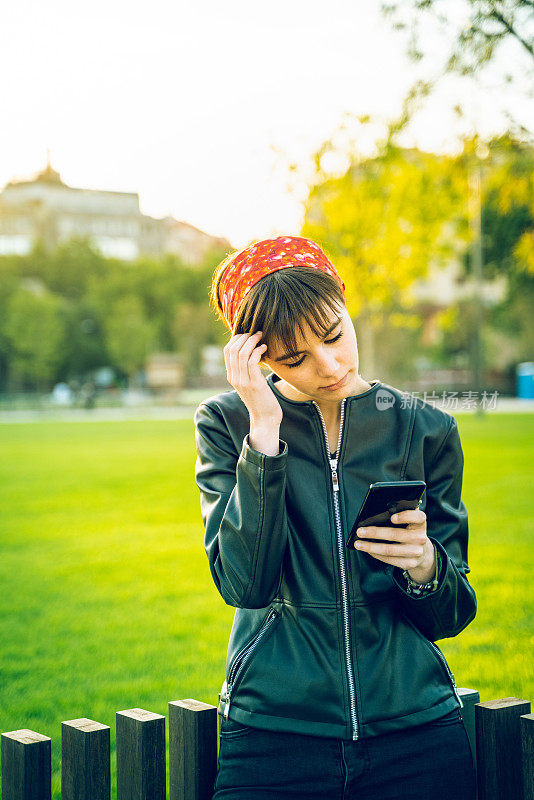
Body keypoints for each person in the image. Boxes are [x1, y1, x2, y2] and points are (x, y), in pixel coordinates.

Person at [193, 235, 477, 800]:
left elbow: (452, 615)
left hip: (415, 731)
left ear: (347, 308)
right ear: (254, 356)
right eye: (295, 357)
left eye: (334, 335)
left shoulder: (427, 429)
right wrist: (264, 435)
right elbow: (243, 584)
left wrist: (426, 567)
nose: (330, 366)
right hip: (275, 736)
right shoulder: (226, 426)